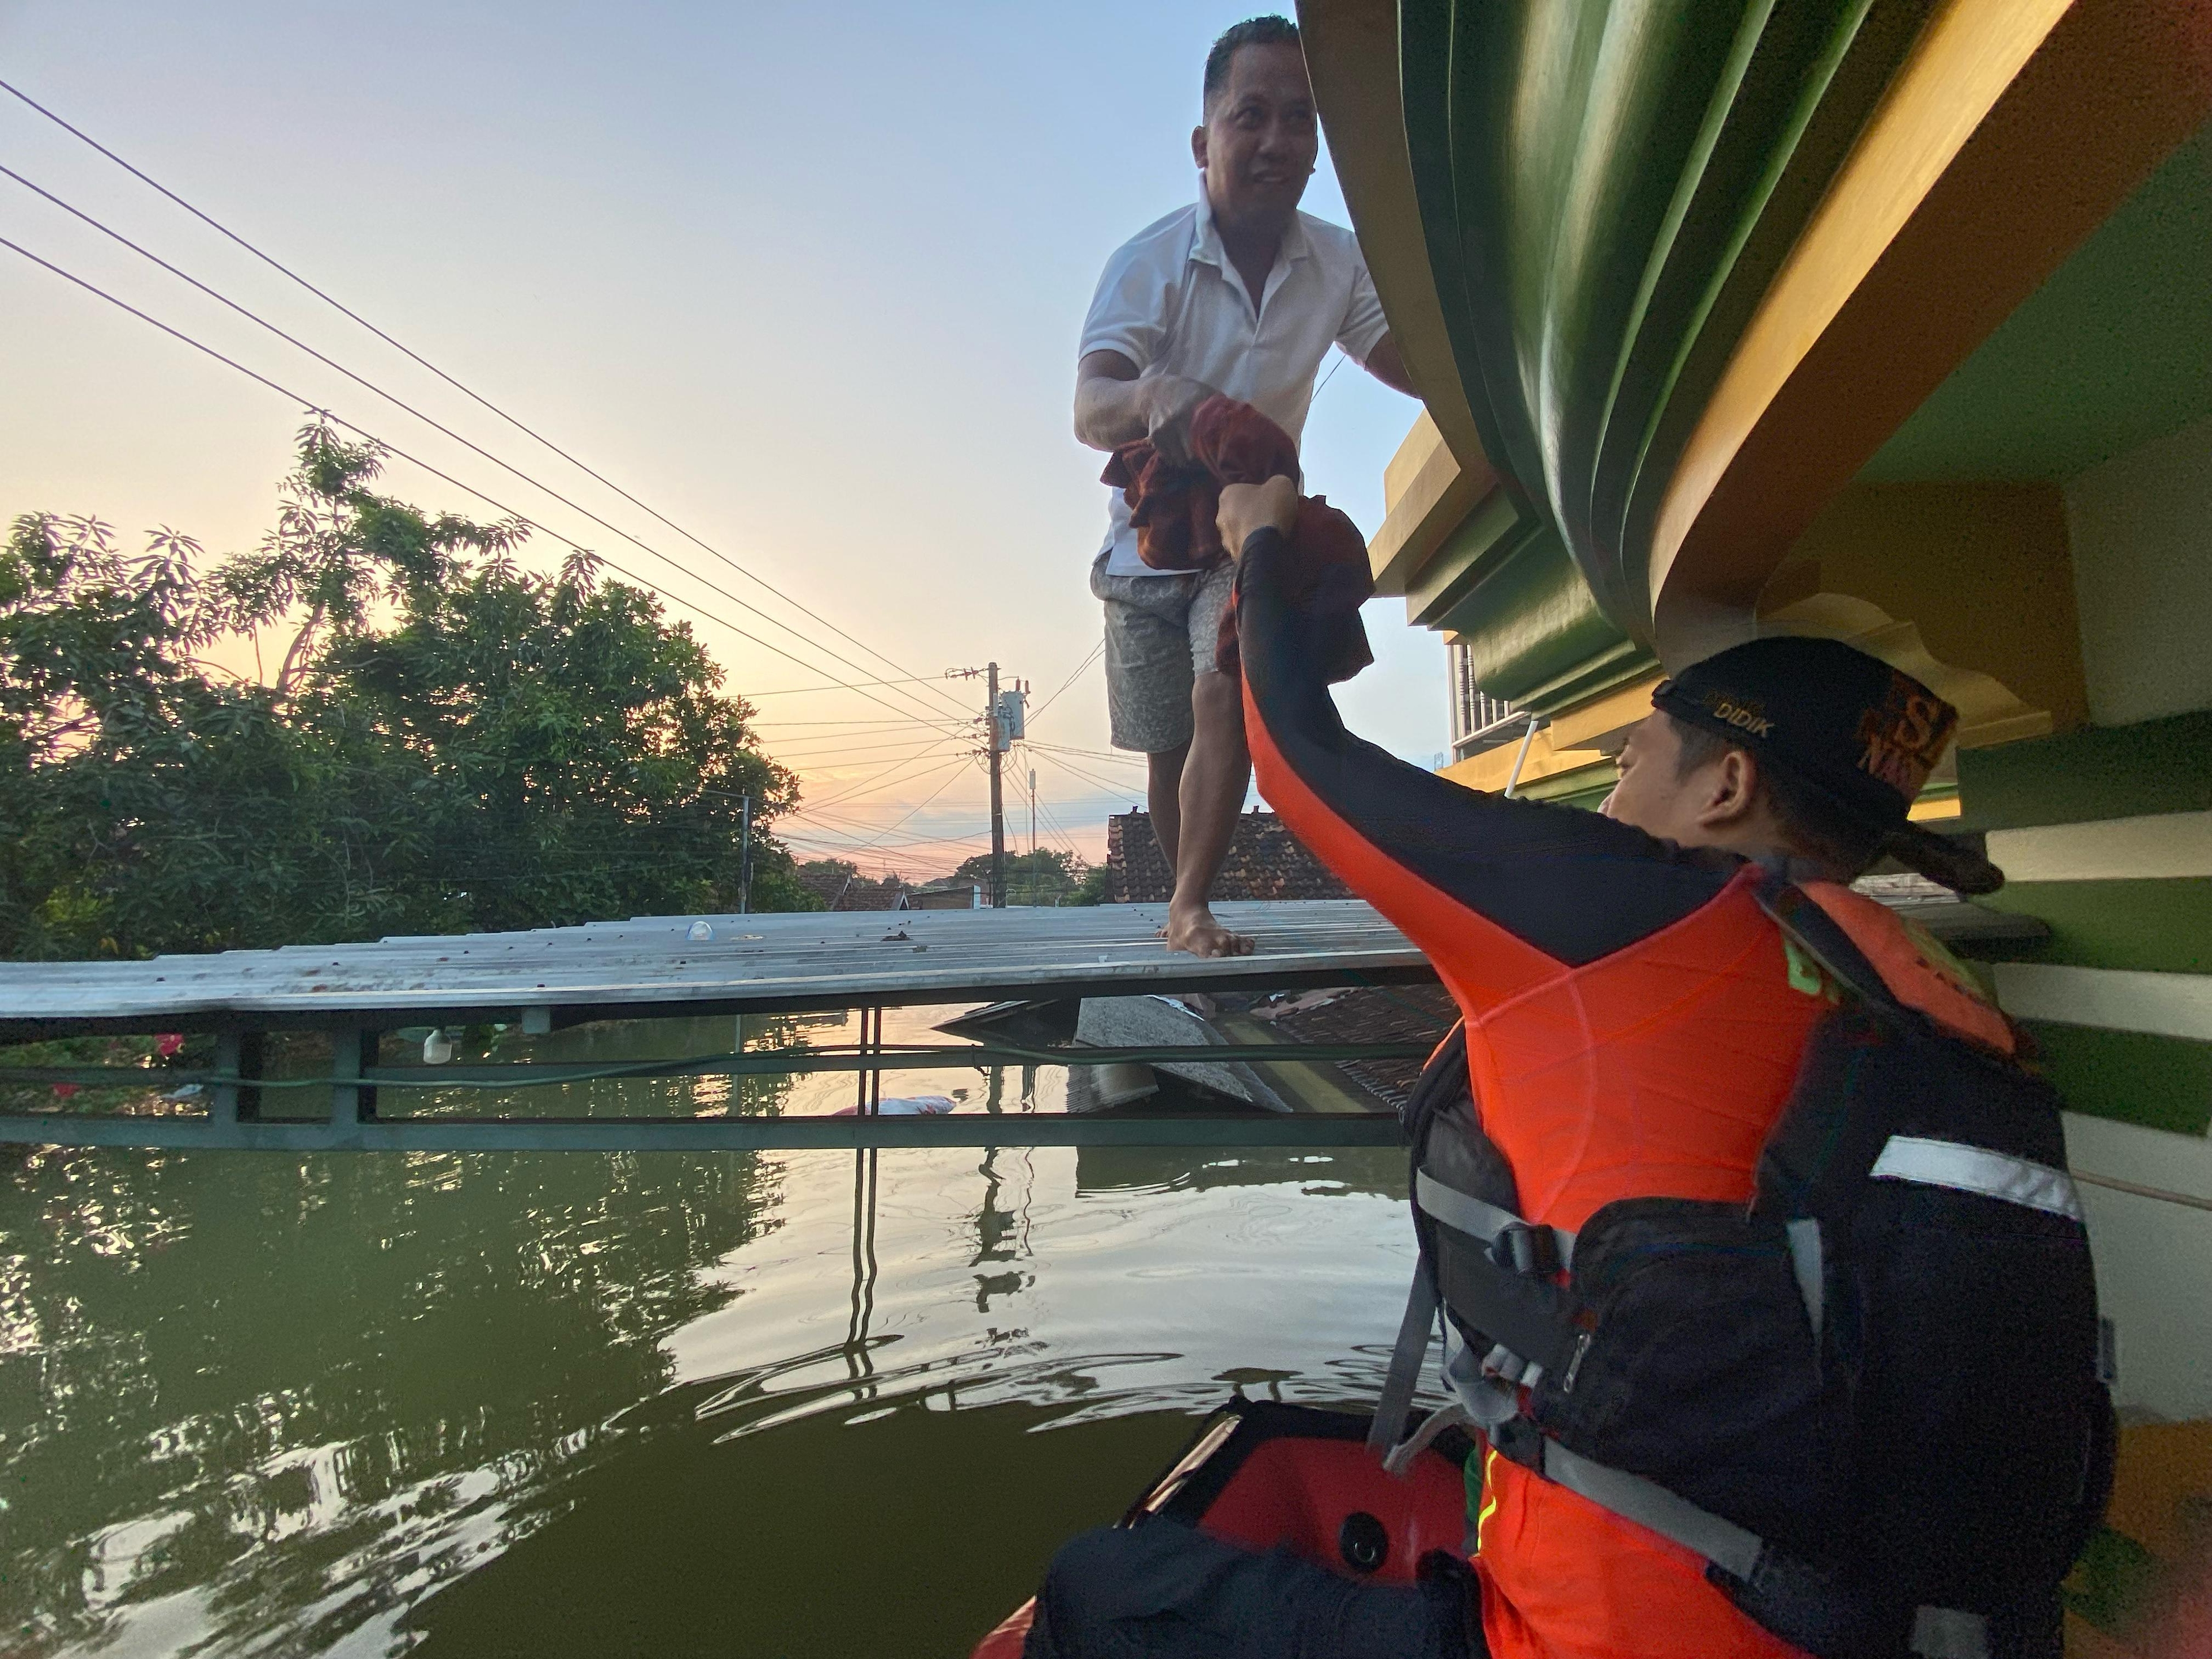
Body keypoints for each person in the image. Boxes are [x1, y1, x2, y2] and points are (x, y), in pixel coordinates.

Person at [1024, 476, 2069, 1659]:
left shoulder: (1630, 916)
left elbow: (1299, 758)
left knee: (1100, 1584)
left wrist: (1257, 545)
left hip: (1588, 1640)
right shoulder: (1944, 1001)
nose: (1613, 795)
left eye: (1635, 760)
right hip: (1891, 1624)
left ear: (1727, 787)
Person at [1074, 15, 1416, 958]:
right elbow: (1088, 405)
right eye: (1252, 115)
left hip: (1250, 520)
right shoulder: (1147, 262)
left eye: (1300, 121)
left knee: (1223, 688)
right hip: (1142, 536)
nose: (1277, 141)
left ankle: (1190, 906)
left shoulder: (1340, 260)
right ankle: (1188, 900)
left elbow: (1414, 362)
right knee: (1166, 747)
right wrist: (1155, 394)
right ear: (1204, 141)